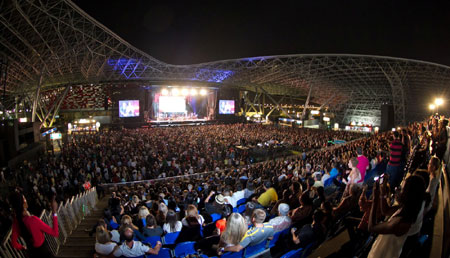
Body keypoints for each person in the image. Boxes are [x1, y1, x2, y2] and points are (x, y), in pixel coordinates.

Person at [367, 175, 426, 258]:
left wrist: (375, 199)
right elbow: (386, 211)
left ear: (408, 193)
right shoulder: (408, 208)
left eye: (402, 189)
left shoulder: (401, 223)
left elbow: (371, 227)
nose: (399, 190)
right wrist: (382, 193)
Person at [11, 191, 59, 257]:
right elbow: (55, 233)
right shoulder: (33, 220)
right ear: (23, 203)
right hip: (44, 253)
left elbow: (14, 243)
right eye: (24, 198)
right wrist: (54, 212)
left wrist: (23, 248)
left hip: (31, 253)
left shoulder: (16, 222)